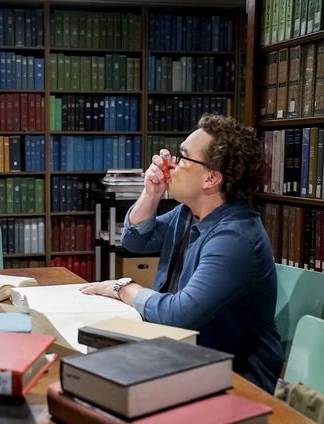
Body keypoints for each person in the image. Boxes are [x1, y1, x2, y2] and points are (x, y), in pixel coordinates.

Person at [82, 114, 283, 393]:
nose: (170, 164)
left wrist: (122, 288)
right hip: (183, 353)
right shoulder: (190, 213)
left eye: (183, 157)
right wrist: (151, 193)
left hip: (235, 378)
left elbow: (178, 315)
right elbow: (135, 240)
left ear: (211, 178)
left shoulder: (234, 239)